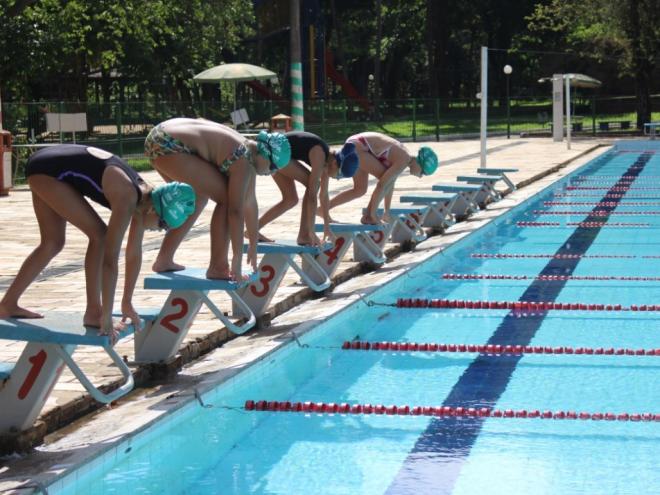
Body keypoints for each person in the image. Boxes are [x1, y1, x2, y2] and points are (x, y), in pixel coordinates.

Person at [0, 144, 195, 339]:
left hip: (46, 164)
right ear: (155, 210)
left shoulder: (144, 200)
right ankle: (94, 312)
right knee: (100, 236)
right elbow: (110, 262)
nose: (158, 230)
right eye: (163, 225)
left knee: (53, 242)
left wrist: (126, 303)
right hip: (48, 171)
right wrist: (107, 317)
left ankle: (7, 305)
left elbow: (133, 255)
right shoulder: (128, 197)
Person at [145, 117, 291, 280]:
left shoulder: (248, 150)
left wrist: (253, 244)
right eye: (273, 167)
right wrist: (237, 259)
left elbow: (251, 203)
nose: (272, 173)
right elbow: (235, 211)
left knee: (197, 198)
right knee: (227, 200)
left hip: (158, 137)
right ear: (266, 155)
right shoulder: (243, 160)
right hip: (171, 145)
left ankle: (164, 259)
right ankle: (218, 267)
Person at [257, 131, 359, 246]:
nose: (337, 179)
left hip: (279, 154)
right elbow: (312, 196)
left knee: (291, 199)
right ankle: (305, 235)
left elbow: (324, 196)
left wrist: (327, 226)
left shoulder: (327, 164)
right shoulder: (319, 154)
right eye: (339, 175)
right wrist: (311, 231)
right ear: (335, 163)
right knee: (312, 185)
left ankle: (253, 230)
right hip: (273, 150)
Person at [327, 132, 439, 225]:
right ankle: (369, 215)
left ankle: (323, 208)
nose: (420, 176)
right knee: (384, 180)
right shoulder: (404, 160)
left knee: (360, 189)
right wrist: (373, 214)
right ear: (420, 164)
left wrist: (386, 211)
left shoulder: (405, 158)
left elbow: (391, 184)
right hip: (358, 147)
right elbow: (382, 185)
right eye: (422, 173)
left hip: (358, 144)